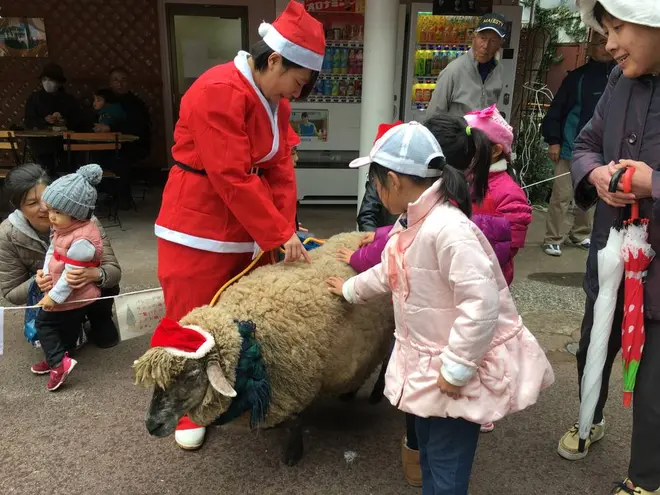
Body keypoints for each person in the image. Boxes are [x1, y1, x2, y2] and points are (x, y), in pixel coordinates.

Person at [327, 121, 554, 494]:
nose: (375, 191)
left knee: (447, 469)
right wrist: (349, 289)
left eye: (376, 182)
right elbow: (390, 271)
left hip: (451, 375)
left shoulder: (448, 229)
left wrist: (458, 368)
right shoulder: (413, 223)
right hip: (427, 366)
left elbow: (481, 303)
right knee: (432, 455)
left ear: (395, 180)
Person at [154, 1, 325, 451]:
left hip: (248, 217)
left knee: (237, 310)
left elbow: (281, 168)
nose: (295, 93)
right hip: (197, 219)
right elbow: (229, 175)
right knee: (190, 312)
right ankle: (185, 406)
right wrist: (276, 232)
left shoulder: (274, 100)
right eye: (296, 81)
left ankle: (230, 387)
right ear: (273, 60)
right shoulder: (217, 90)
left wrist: (285, 227)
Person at [563, 2, 660, 493]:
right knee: (592, 343)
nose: (609, 45)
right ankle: (588, 419)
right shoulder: (620, 81)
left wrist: (653, 182)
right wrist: (598, 174)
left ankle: (645, 477)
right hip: (610, 248)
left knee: (653, 382)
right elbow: (585, 145)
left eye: (618, 27)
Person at [0, 164, 121, 348]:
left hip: (87, 291)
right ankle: (69, 326)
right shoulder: (7, 234)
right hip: (53, 299)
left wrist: (95, 274)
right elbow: (11, 292)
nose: (45, 209)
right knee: (64, 349)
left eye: (47, 199)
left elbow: (113, 271)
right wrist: (38, 282)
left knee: (107, 337)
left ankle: (100, 318)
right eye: (32, 203)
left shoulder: (84, 222)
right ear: (17, 207)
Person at [30, 165, 107, 391]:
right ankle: (58, 357)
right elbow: (51, 252)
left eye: (57, 212)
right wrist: (43, 273)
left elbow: (71, 276)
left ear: (76, 213)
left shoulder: (83, 241)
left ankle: (58, 364)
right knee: (66, 330)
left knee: (44, 324)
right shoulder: (63, 228)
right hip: (66, 292)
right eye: (50, 209)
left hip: (71, 294)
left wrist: (53, 297)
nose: (50, 216)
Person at [541, 31, 614, 257]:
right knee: (562, 195)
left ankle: (581, 234)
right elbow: (557, 111)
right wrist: (553, 140)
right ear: (591, 47)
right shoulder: (577, 77)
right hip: (570, 148)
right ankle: (553, 238)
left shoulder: (620, 78)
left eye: (608, 42)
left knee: (591, 194)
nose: (605, 47)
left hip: (601, 152)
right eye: (600, 43)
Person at [464, 104, 532, 288]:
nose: (464, 149)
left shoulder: (510, 195)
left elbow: (504, 249)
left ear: (495, 151)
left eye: (472, 144)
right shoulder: (460, 179)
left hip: (487, 284)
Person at [427, 13, 507, 118]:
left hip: (484, 134)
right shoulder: (453, 71)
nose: (486, 46)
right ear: (474, 37)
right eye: (483, 38)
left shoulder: (499, 71)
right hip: (456, 134)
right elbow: (433, 116)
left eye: (493, 41)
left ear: (500, 43)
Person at [24, 63, 82, 174]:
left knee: (67, 170)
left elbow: (77, 121)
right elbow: (28, 121)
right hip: (42, 144)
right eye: (45, 79)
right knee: (46, 171)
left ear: (59, 83)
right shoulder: (35, 98)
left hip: (64, 144)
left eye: (51, 80)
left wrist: (64, 121)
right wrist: (44, 121)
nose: (47, 82)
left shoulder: (68, 100)